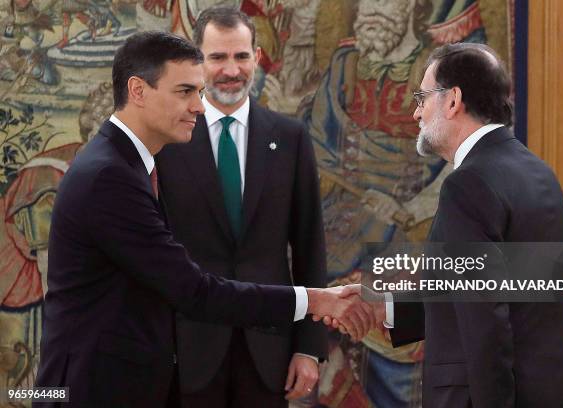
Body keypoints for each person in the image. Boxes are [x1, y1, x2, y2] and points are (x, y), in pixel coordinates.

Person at [34, 30, 375, 408]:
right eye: (185, 92)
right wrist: (316, 301)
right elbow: (194, 291)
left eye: (198, 92)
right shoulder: (110, 176)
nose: (199, 105)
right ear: (138, 90)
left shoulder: (122, 164)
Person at [323, 42, 563, 407]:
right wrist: (389, 308)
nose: (416, 113)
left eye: (422, 97)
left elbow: (486, 324)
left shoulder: (468, 185)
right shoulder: (540, 174)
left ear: (452, 100)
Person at [155, 6, 326, 407]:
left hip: (269, 349)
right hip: (187, 351)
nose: (231, 70)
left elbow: (309, 249)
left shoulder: (290, 138)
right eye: (217, 57)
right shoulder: (166, 142)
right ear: (196, 61)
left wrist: (308, 348)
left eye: (241, 56)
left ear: (257, 56)